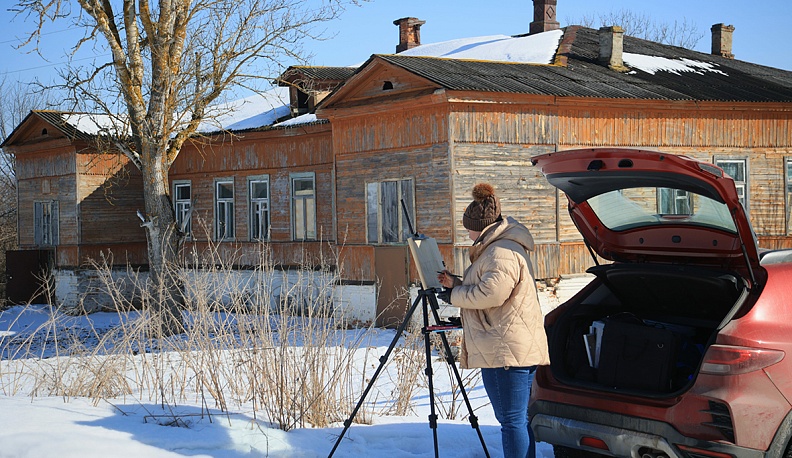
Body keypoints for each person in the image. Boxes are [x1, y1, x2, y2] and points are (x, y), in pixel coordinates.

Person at [437, 183, 550, 458]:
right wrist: (457, 284)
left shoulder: (500, 252)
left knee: (511, 422)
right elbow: (491, 286)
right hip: (513, 346)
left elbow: (492, 293)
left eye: (468, 228)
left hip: (505, 350)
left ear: (480, 227)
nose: (467, 233)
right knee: (518, 420)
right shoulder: (501, 247)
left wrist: (454, 296)